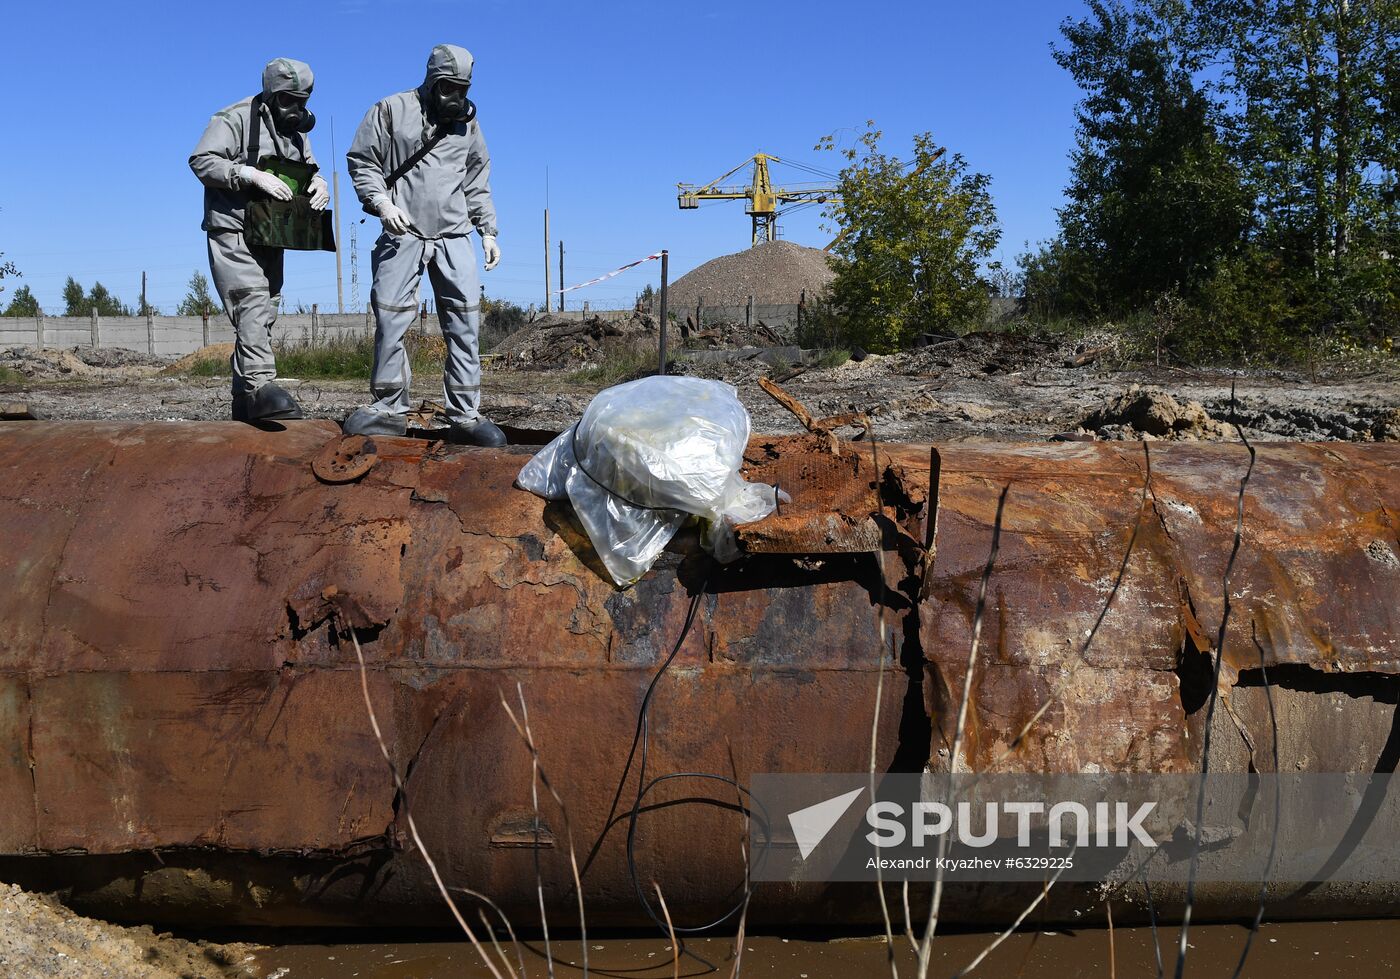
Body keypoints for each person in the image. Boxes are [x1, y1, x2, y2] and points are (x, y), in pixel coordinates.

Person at [343, 43, 505, 445]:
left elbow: (476, 179)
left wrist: (488, 230)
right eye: (448, 87)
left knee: (465, 322)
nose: (457, 96)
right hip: (404, 233)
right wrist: (380, 202)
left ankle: (465, 414)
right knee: (392, 317)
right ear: (432, 81)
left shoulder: (468, 124)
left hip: (454, 235)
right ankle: (389, 407)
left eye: (463, 88)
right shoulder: (391, 111)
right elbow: (363, 161)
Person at [190, 58, 329, 423]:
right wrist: (245, 173)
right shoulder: (234, 119)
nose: (296, 109)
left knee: (266, 309)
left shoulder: (296, 132)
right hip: (232, 227)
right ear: (270, 94)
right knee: (250, 300)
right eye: (288, 100)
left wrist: (319, 184)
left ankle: (244, 401)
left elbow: (308, 167)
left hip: (271, 232)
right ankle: (261, 386)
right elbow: (201, 160)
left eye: (302, 100)